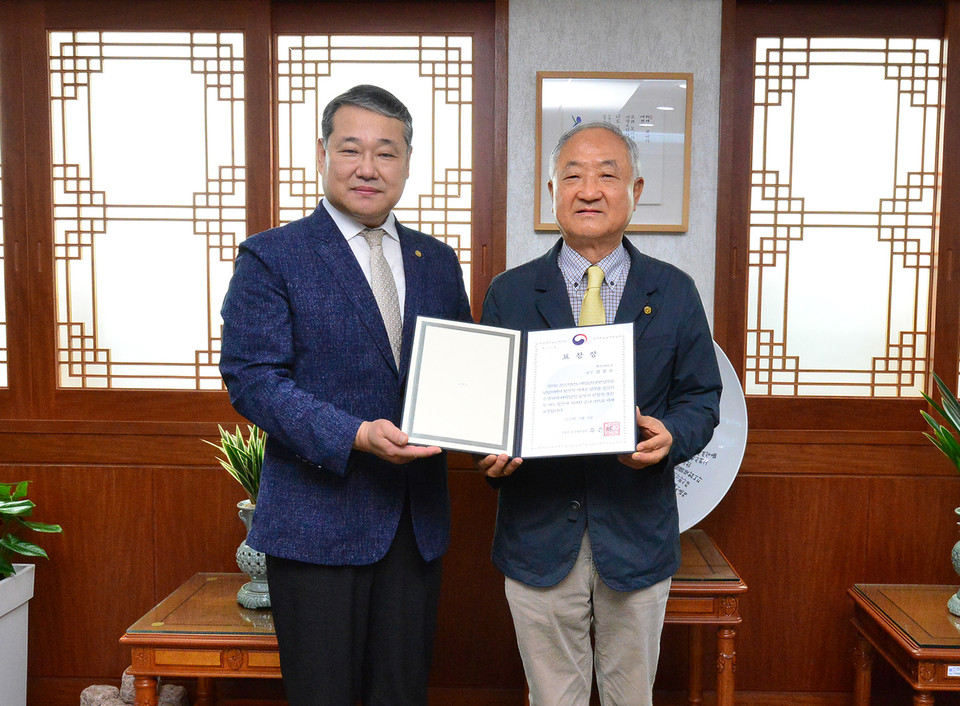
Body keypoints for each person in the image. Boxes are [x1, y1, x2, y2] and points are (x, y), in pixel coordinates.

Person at [219, 84, 471, 706]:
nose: (367, 167)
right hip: (315, 523)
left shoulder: (437, 261)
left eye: (386, 153)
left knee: (401, 694)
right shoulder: (274, 255)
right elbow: (252, 379)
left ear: (407, 162)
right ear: (322, 154)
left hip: (414, 525)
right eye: (350, 149)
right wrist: (353, 434)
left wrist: (493, 435)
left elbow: (464, 375)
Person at [477, 121, 722, 706]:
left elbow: (701, 400)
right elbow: (487, 402)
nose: (589, 189)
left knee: (629, 696)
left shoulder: (674, 290)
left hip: (635, 534)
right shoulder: (510, 293)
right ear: (552, 191)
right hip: (537, 533)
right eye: (573, 176)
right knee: (552, 697)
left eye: (607, 175)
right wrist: (487, 450)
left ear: (634, 189)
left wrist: (673, 435)